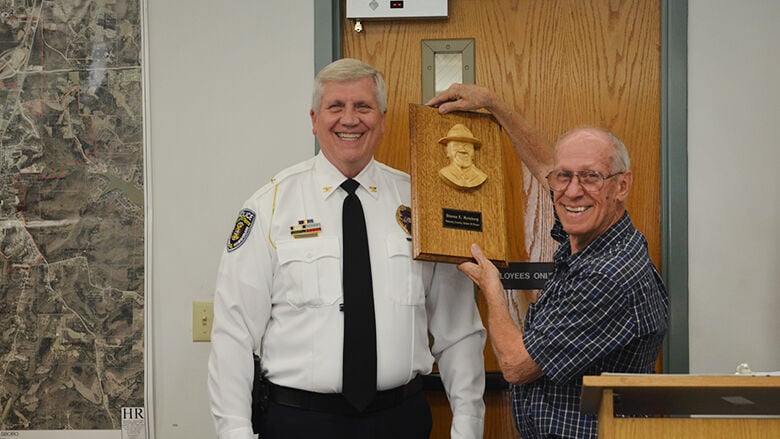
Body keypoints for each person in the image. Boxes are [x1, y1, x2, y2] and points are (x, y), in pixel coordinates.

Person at [208, 59, 486, 439]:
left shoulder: (422, 204)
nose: (349, 119)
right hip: (299, 423)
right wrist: (235, 433)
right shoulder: (271, 205)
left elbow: (459, 331)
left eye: (363, 107)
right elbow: (233, 333)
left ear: (383, 118)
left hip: (400, 421)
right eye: (336, 106)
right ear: (314, 118)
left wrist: (468, 427)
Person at [427, 84, 670, 439]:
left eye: (591, 176)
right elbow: (546, 167)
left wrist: (493, 289)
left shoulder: (607, 274)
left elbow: (514, 364)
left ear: (622, 185)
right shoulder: (597, 234)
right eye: (565, 176)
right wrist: (495, 106)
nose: (572, 191)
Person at [438, 123, 488, 189]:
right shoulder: (445, 173)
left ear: (473, 153)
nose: (462, 150)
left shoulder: (480, 176)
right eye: (456, 146)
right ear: (448, 152)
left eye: (467, 146)